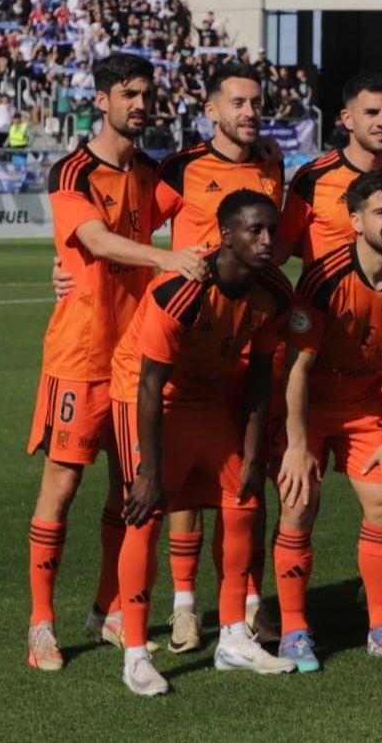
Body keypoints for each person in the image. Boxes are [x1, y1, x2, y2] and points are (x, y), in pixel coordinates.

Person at [23, 54, 206, 672]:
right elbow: (95, 241)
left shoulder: (154, 174)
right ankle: (41, 626)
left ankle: (106, 614)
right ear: (100, 100)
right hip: (79, 355)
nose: (140, 104)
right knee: (63, 485)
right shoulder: (71, 170)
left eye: (146, 93)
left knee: (131, 492)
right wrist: (164, 261)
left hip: (139, 362)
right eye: (128, 93)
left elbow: (195, 208)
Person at [112, 190, 297, 695]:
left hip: (209, 397)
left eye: (271, 231)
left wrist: (255, 454)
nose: (266, 241)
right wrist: (149, 470)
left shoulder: (275, 292)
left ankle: (234, 638)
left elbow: (260, 375)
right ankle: (134, 654)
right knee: (144, 512)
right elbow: (150, 383)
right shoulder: (181, 289)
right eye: (254, 231)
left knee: (244, 501)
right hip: (153, 395)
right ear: (225, 236)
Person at [271, 171, 382, 671]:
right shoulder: (324, 278)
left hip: (365, 405)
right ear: (355, 221)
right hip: (308, 405)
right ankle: (293, 630)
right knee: (299, 505)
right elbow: (298, 368)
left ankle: (381, 626)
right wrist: (298, 445)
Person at [143, 60, 285, 652]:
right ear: (212, 110)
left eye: (256, 102)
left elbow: (288, 237)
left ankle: (249, 602)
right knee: (191, 483)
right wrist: (67, 265)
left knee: (251, 475)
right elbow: (134, 226)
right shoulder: (179, 168)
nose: (249, 112)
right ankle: (183, 606)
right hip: (194, 340)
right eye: (237, 103)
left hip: (252, 338)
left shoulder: (275, 165)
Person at [279, 72, 382, 265]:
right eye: (371, 113)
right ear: (347, 119)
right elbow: (281, 250)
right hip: (326, 295)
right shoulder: (313, 178)